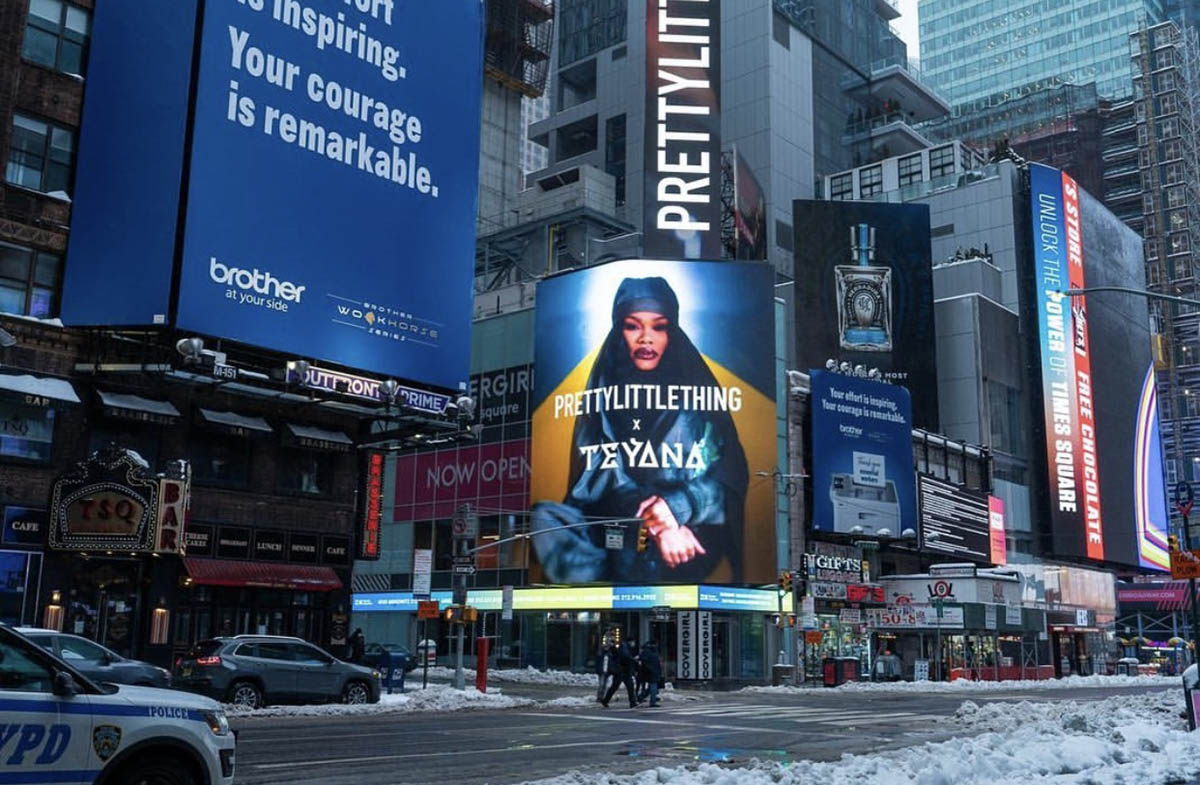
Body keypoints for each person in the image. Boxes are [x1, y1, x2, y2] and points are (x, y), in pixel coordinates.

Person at [532, 277, 751, 583]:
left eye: (659, 327)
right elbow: (594, 484)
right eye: (633, 326)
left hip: (688, 536)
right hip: (620, 527)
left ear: (671, 332)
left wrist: (677, 508)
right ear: (619, 330)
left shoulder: (697, 392)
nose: (646, 338)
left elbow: (729, 478)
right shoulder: (604, 386)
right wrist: (658, 522)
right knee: (544, 518)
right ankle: (605, 588)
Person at [602, 638, 639, 709]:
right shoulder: (625, 648)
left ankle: (605, 700)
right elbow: (626, 658)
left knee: (615, 686)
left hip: (620, 671)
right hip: (624, 671)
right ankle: (632, 702)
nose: (633, 644)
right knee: (629, 687)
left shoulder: (623, 647)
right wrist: (634, 660)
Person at [638, 641, 663, 706]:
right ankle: (652, 702)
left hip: (652, 671)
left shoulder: (650, 651)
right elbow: (643, 662)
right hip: (651, 671)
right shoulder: (649, 652)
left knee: (651, 687)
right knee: (653, 686)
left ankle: (641, 697)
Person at [596, 635, 612, 702]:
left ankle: (601, 696)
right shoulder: (601, 654)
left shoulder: (609, 654)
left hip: (606, 671)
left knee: (604, 685)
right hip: (602, 670)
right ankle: (599, 697)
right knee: (601, 684)